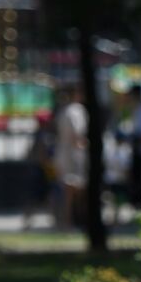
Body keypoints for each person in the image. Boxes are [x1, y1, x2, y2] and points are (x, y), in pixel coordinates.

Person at [53, 85, 88, 229]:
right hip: (73, 155)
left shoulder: (64, 111)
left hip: (64, 153)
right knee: (73, 189)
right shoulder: (76, 111)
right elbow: (77, 137)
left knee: (68, 190)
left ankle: (68, 220)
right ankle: (70, 220)